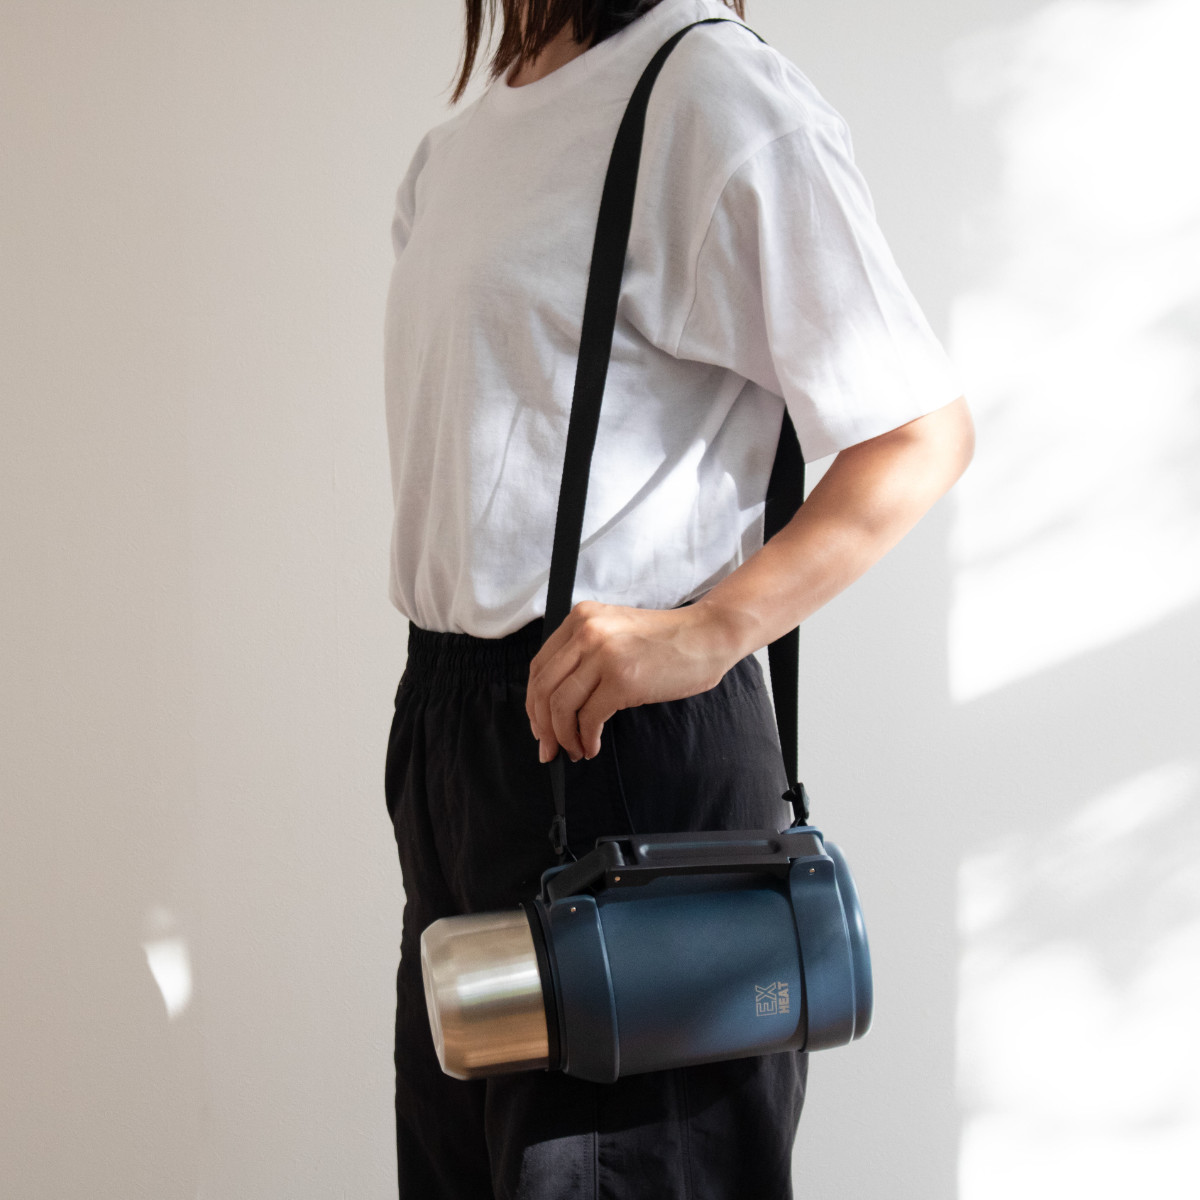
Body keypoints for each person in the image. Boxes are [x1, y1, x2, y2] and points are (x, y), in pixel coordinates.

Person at [382, 0, 976, 1196]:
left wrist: (712, 629)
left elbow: (918, 434)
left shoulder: (708, 93)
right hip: (455, 738)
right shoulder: (457, 149)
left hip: (624, 756)